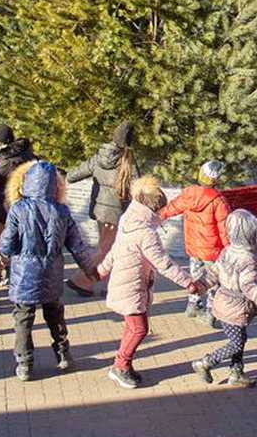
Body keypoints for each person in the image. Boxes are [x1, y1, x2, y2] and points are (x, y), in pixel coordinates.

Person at [98, 175, 199, 389]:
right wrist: (188, 283)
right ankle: (120, 366)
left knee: (132, 327)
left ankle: (123, 363)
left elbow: (116, 249)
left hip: (126, 282)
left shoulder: (128, 219)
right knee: (139, 329)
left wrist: (102, 270)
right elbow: (164, 264)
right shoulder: (146, 233)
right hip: (132, 286)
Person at [0, 161, 97, 381]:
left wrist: (11, 253)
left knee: (23, 319)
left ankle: (25, 363)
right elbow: (77, 245)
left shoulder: (18, 209)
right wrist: (90, 269)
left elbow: (6, 245)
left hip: (24, 274)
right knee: (55, 315)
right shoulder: (62, 211)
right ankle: (64, 355)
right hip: (52, 273)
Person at [193, 209, 257, 388]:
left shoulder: (227, 250)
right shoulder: (248, 259)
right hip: (235, 307)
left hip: (222, 302)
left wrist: (200, 285)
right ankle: (206, 362)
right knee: (237, 342)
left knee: (240, 339)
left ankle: (237, 372)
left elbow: (213, 273)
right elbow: (249, 288)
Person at [64, 121, 138, 297]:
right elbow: (139, 188)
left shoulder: (99, 157)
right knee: (105, 250)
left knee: (108, 249)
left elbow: (73, 176)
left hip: (99, 210)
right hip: (115, 213)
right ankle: (80, 281)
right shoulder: (128, 161)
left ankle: (107, 287)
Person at [158, 160, 231, 324]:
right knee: (213, 280)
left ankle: (193, 304)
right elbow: (224, 229)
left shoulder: (189, 193)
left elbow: (172, 208)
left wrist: (157, 217)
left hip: (193, 246)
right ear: (217, 179)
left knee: (196, 276)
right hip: (213, 250)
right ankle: (212, 312)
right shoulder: (219, 201)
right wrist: (229, 249)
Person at [0, 124, 36, 286]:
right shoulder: (26, 154)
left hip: (6, 202)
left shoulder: (9, 159)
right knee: (8, 236)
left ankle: (11, 265)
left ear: (4, 142)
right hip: (21, 201)